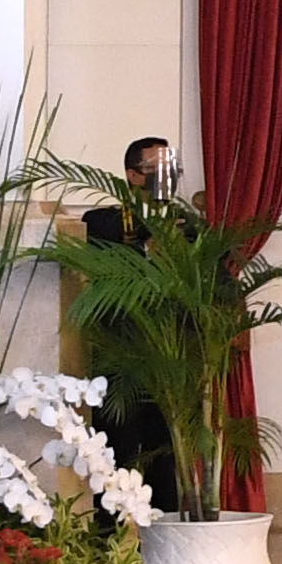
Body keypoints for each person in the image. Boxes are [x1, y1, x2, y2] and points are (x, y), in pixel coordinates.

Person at [78, 133, 198, 517]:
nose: (168, 178)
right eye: (157, 170)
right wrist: (149, 241)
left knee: (166, 458)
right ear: (133, 175)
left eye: (172, 170)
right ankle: (106, 545)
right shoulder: (105, 221)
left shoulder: (188, 228)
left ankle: (166, 540)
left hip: (169, 360)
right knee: (117, 455)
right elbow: (103, 246)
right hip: (123, 361)